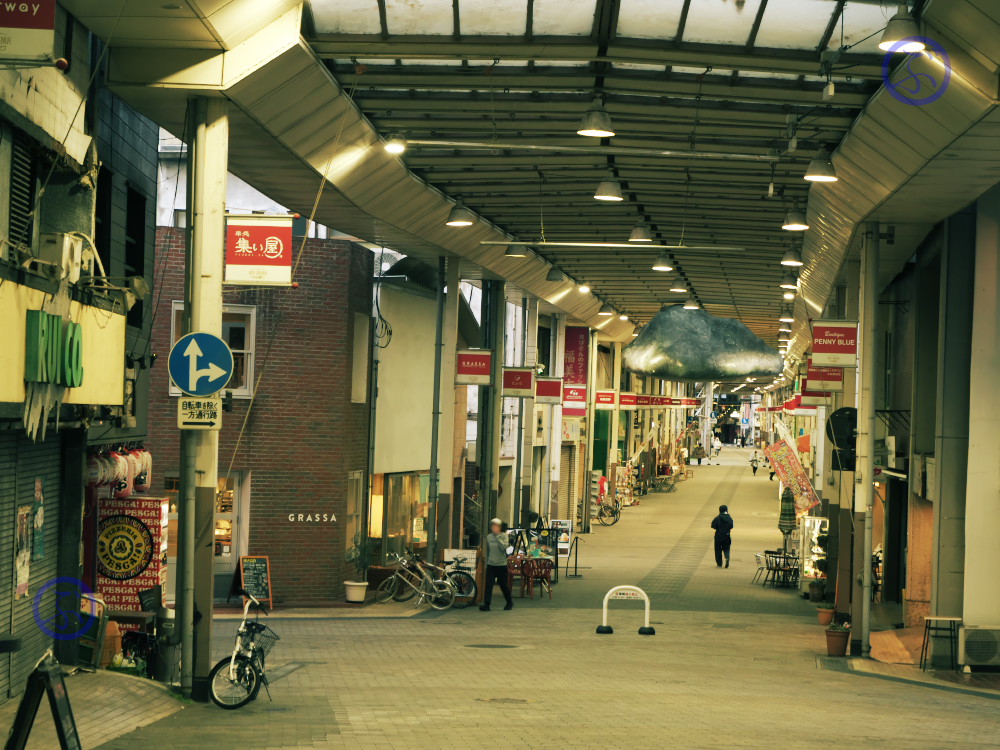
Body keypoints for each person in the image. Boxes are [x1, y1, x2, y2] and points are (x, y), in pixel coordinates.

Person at [480, 518, 513, 611]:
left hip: (501, 564)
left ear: (500, 527)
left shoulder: (504, 536)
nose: (494, 528)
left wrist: (498, 537)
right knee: (489, 584)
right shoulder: (489, 537)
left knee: (503, 585)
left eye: (496, 526)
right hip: (491, 564)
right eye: (492, 526)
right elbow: (488, 550)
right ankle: (487, 604)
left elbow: (503, 549)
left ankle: (509, 602)